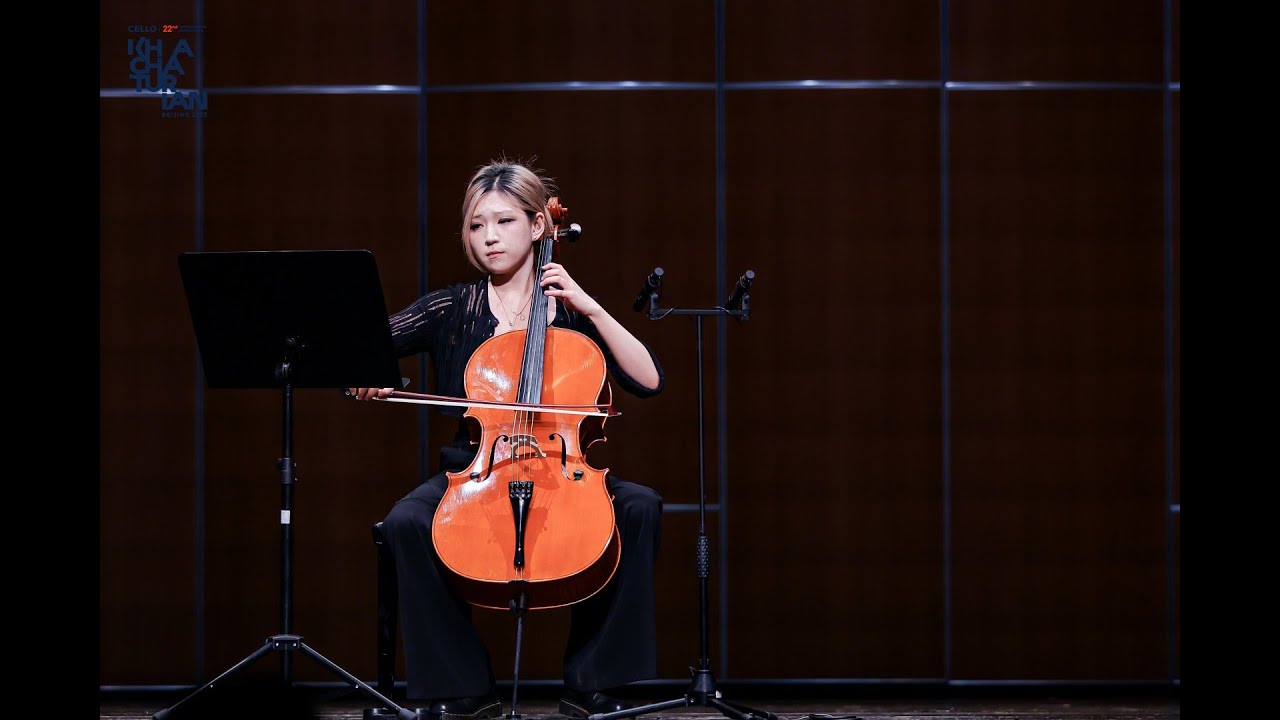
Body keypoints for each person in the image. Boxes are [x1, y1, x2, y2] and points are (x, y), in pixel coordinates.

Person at [350, 158, 665, 720]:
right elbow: (362, 345)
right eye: (476, 226)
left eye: (503, 222)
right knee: (406, 522)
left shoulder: (567, 309)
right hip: (477, 465)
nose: (488, 237)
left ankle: (595, 682)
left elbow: (648, 380)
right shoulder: (452, 307)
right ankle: (462, 686)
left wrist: (587, 304)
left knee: (639, 507)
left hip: (563, 465)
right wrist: (370, 375)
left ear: (539, 225)